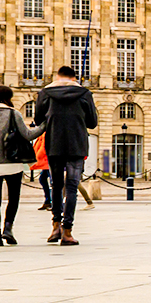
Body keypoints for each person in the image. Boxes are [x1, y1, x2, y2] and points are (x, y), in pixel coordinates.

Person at [34, 65, 97, 247]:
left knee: (56, 185)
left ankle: (55, 227)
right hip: (77, 144)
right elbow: (92, 123)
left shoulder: (45, 93)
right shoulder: (84, 93)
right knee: (71, 187)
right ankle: (67, 231)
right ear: (74, 77)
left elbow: (38, 120)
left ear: (57, 76)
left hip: (54, 143)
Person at [0, 87, 44, 247]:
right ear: (9, 97)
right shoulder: (14, 114)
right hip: (12, 163)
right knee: (13, 198)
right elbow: (28, 135)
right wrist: (44, 126)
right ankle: (8, 227)